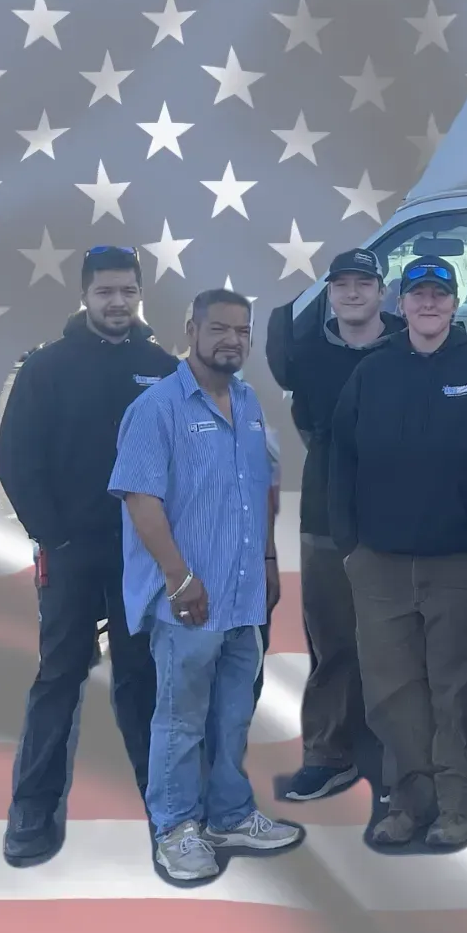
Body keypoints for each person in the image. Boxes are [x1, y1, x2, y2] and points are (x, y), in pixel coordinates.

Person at [110, 289, 304, 884]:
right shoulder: (158, 407)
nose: (231, 340)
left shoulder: (247, 404)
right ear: (190, 329)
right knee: (180, 719)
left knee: (232, 715)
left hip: (242, 597)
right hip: (188, 600)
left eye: (241, 331)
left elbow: (260, 490)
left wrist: (270, 559)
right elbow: (141, 498)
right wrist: (179, 576)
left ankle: (229, 815)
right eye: (218, 328)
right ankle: (174, 829)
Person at [0, 246, 177, 866]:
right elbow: (15, 459)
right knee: (58, 679)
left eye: (128, 291)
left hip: (142, 560)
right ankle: (32, 815)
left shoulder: (164, 369)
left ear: (139, 293)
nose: (118, 302)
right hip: (71, 555)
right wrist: (56, 536)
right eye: (106, 292)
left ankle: (170, 817)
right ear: (85, 295)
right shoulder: (46, 369)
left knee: (143, 683)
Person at [329, 256, 467, 850]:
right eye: (418, 295)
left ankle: (458, 806)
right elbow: (340, 461)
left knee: (454, 689)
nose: (429, 304)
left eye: (440, 294)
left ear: (455, 303)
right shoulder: (371, 374)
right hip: (379, 563)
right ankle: (409, 802)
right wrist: (350, 546)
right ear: (400, 305)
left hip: (459, 562)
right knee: (393, 690)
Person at [264, 248, 404, 803]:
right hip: (325, 514)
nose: (352, 293)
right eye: (341, 284)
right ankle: (328, 755)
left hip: (396, 521)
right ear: (330, 291)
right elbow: (305, 420)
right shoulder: (307, 355)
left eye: (362, 284)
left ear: (381, 290)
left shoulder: (408, 345)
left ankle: (403, 767)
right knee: (330, 641)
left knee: (397, 645)